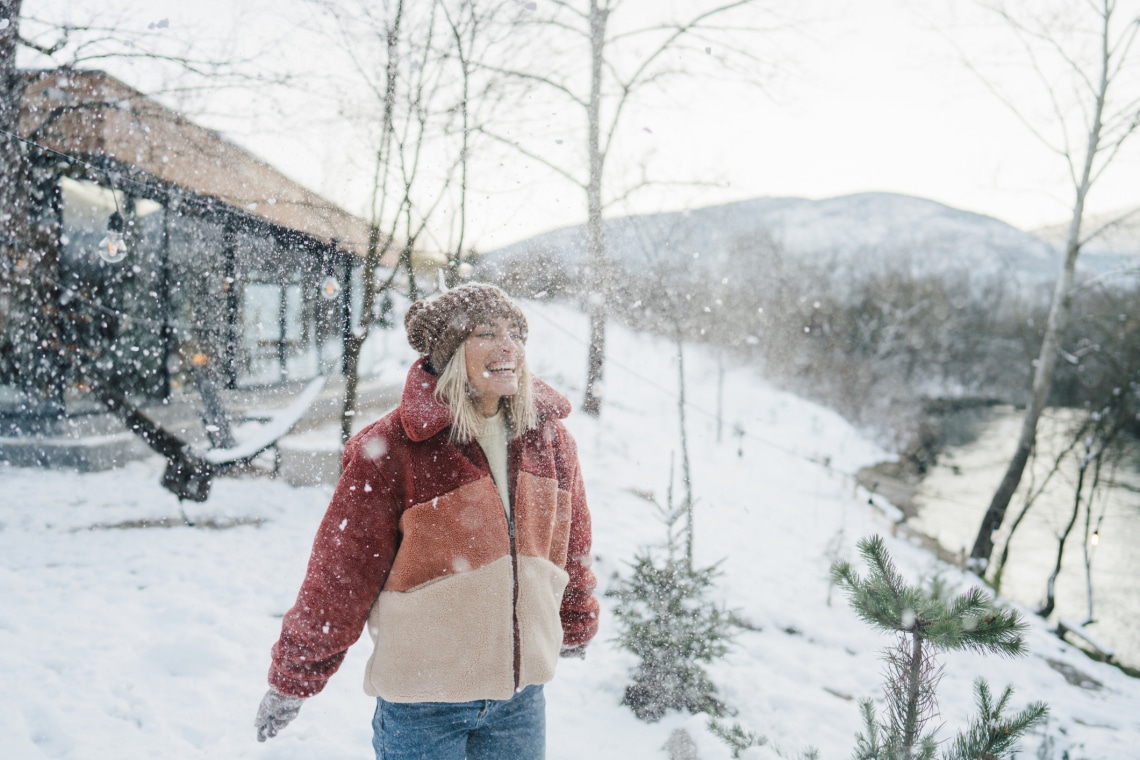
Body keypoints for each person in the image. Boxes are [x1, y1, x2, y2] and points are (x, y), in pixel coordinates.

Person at [255, 283, 599, 759]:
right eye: (487, 332)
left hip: (519, 699)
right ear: (452, 352)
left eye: (516, 333)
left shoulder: (551, 440)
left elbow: (570, 545)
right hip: (423, 705)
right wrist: (296, 675)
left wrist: (576, 619)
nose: (508, 346)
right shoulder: (392, 449)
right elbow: (341, 573)